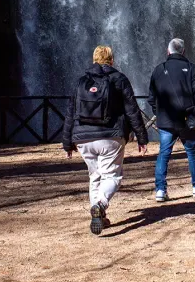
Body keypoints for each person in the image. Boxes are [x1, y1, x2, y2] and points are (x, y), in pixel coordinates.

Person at [62, 45, 148, 236]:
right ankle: (100, 205)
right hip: (111, 136)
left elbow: (70, 113)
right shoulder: (119, 79)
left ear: (94, 59)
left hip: (83, 138)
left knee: (95, 176)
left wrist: (67, 142)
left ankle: (98, 215)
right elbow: (132, 110)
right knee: (112, 177)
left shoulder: (81, 81)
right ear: (111, 60)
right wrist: (142, 137)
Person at [148, 38, 195, 201]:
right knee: (192, 153)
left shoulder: (158, 70)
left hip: (166, 121)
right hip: (187, 119)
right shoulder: (191, 69)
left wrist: (160, 113)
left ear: (168, 51)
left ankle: (160, 191)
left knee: (164, 154)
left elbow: (151, 98)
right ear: (183, 51)